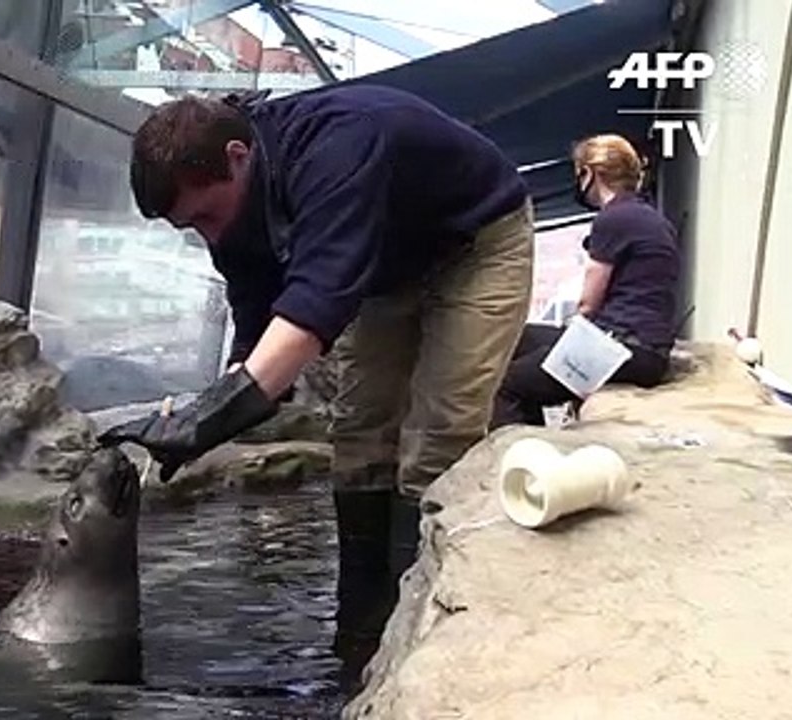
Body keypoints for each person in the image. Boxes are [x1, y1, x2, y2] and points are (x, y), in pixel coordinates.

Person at [96, 84, 534, 687]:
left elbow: (315, 306)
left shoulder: (339, 144)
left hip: (477, 243)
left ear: (236, 156)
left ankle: (421, 633)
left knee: (440, 431)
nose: (207, 236)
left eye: (204, 216)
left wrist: (207, 424)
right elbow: (257, 317)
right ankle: (358, 632)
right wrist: (217, 402)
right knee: (359, 430)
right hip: (388, 270)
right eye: (188, 226)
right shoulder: (235, 212)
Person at [490, 134, 680, 428]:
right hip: (643, 349)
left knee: (507, 385)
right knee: (519, 337)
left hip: (619, 348)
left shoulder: (613, 219)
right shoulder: (650, 217)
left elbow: (588, 305)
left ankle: (532, 458)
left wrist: (570, 348)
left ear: (589, 172)